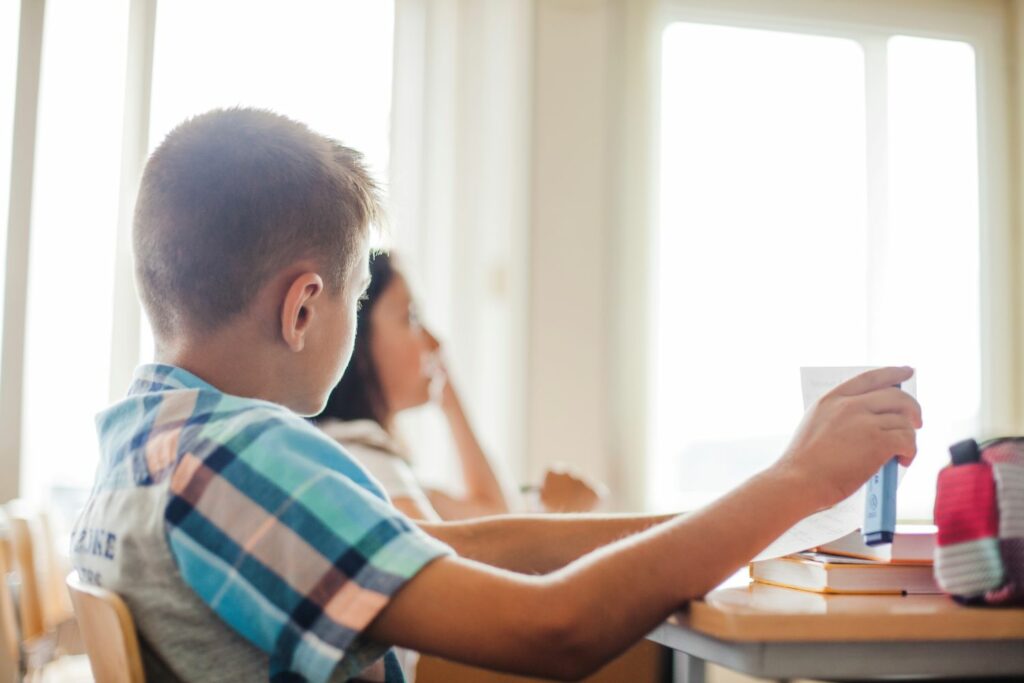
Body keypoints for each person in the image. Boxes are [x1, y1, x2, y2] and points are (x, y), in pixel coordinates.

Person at [70, 108, 922, 683]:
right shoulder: (244, 458)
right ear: (303, 306)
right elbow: (551, 630)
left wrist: (760, 510)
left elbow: (462, 541)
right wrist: (799, 480)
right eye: (359, 293)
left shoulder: (146, 443)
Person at [314, 251, 603, 522]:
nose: (436, 342)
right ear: (357, 337)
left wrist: (449, 397)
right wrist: (555, 515)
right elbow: (458, 567)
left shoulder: (374, 459)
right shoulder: (364, 459)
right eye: (411, 317)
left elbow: (494, 514)